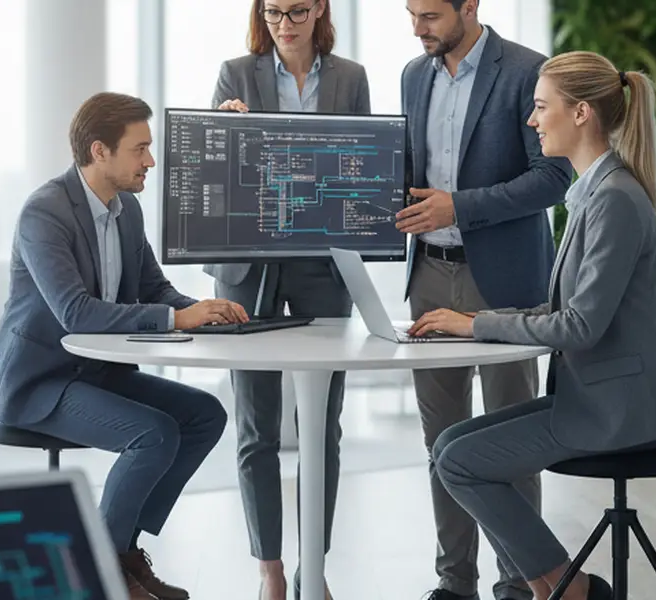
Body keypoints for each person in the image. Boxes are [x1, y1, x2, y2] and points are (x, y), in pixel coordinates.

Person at [408, 51, 656, 600]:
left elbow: (580, 327)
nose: (532, 120)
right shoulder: (593, 189)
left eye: (542, 107)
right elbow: (563, 310)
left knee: (463, 463)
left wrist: (478, 327)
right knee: (448, 445)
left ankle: (569, 590)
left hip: (623, 409)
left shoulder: (613, 198)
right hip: (598, 397)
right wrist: (474, 320)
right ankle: (560, 590)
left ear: (582, 113)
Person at [0, 91, 250, 600]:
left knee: (205, 415)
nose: (151, 160)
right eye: (140, 149)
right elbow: (75, 313)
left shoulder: (126, 211)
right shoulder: (45, 212)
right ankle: (99, 572)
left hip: (98, 372)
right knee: (153, 434)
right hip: (42, 381)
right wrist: (174, 317)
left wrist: (205, 311)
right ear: (99, 151)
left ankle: (119, 551)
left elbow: (155, 290)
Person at [394, 1, 573, 599]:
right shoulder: (413, 75)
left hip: (503, 283)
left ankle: (523, 583)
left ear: (470, 5)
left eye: (431, 15)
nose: (418, 27)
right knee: (439, 441)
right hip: (429, 276)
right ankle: (454, 583)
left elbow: (553, 177)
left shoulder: (526, 71)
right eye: (412, 13)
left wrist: (460, 206)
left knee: (510, 441)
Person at [206, 1, 369, 599]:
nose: (284, 21)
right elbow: (217, 174)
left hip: (323, 264)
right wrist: (229, 134)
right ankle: (270, 570)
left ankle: (313, 571)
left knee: (322, 426)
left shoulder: (349, 78)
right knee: (256, 427)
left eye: (297, 9)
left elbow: (360, 167)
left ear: (320, 7)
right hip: (248, 268)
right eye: (272, 9)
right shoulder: (236, 73)